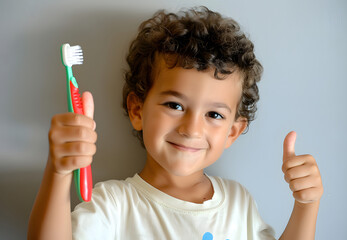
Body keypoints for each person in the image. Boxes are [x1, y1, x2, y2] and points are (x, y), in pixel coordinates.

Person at [28, 6, 323, 240]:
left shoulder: (238, 202)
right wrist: (59, 170)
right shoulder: (113, 205)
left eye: (214, 115)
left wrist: (307, 205)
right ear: (137, 109)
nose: (191, 129)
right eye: (175, 105)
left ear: (233, 131)